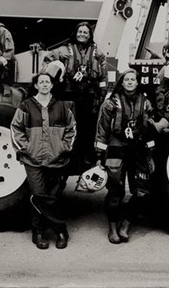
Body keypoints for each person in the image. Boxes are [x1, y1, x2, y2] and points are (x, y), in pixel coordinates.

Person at [10, 72, 76, 250]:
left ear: (52, 85)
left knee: (53, 197)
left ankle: (40, 230)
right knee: (39, 195)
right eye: (41, 82)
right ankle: (56, 230)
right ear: (37, 85)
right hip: (33, 160)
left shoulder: (61, 106)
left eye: (48, 82)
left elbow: (71, 128)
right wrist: (26, 148)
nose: (45, 84)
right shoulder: (27, 105)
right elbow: (16, 128)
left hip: (57, 159)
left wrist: (64, 147)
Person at [95, 69, 156, 244]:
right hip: (116, 148)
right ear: (122, 82)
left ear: (137, 82)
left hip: (138, 150)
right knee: (115, 192)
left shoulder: (146, 103)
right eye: (127, 79)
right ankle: (113, 229)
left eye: (133, 79)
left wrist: (150, 155)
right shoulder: (110, 103)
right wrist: (99, 156)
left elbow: (150, 129)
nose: (129, 82)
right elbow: (102, 130)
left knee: (142, 192)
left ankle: (125, 225)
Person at [42, 22, 107, 171]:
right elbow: (47, 62)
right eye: (80, 32)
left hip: (89, 97)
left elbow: (103, 78)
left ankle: (84, 161)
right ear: (75, 33)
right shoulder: (62, 51)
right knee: (69, 128)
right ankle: (67, 159)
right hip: (68, 96)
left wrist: (100, 97)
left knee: (87, 130)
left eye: (85, 32)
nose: (82, 35)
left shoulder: (98, 54)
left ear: (90, 35)